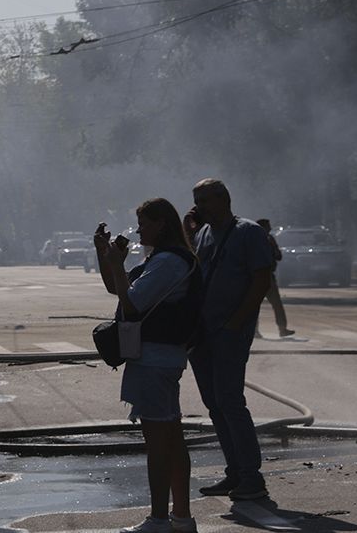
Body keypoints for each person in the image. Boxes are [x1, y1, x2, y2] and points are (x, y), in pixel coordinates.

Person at [96, 199, 201, 533]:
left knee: (158, 445)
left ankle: (158, 519)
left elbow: (132, 304)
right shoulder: (161, 259)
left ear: (161, 224)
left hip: (154, 359)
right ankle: (181, 517)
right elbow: (116, 287)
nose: (139, 230)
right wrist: (106, 256)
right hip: (161, 358)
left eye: (144, 223)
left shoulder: (168, 261)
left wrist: (117, 264)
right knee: (172, 440)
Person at [188, 178, 273, 502]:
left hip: (229, 333)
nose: (200, 207)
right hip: (203, 334)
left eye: (205, 200)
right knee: (215, 404)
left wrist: (237, 323)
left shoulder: (248, 232)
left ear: (224, 199)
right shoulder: (203, 234)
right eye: (196, 201)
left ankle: (251, 476)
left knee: (230, 401)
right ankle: (235, 471)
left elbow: (261, 280)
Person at [254, 218, 294, 338]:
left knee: (277, 303)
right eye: (267, 226)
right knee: (254, 304)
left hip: (268, 275)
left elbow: (278, 256)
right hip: (256, 276)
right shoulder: (253, 240)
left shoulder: (270, 239)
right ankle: (254, 330)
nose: (270, 228)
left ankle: (282, 329)